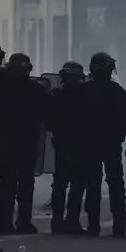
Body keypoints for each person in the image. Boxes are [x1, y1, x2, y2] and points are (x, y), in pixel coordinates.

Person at [0, 53, 47, 234]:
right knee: (24, 184)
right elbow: (45, 115)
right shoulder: (36, 89)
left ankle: (5, 222)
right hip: (26, 142)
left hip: (6, 141)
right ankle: (23, 222)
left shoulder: (0, 88)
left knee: (7, 183)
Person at [81, 52, 126, 237]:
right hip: (111, 144)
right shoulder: (118, 92)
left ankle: (93, 225)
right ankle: (119, 225)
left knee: (92, 184)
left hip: (89, 144)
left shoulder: (84, 91)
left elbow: (75, 119)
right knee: (115, 183)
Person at [46, 61, 91, 235]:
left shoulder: (55, 95)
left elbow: (48, 123)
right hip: (82, 146)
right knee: (77, 184)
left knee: (59, 185)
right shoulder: (88, 95)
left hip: (62, 145)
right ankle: (72, 221)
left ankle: (56, 222)